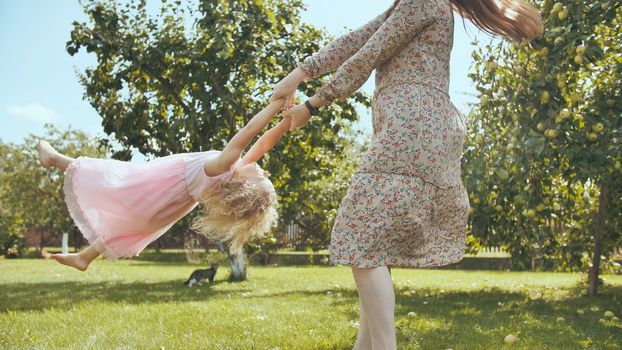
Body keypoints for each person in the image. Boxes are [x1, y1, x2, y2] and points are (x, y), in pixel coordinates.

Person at [270, 0, 543, 348]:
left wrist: (313, 104)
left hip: (412, 126)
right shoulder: (412, 5)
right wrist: (298, 74)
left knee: (360, 236)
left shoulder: (424, 1)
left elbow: (369, 55)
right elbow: (358, 39)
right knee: (372, 246)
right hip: (415, 127)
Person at [39, 99, 291, 271]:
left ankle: (55, 159)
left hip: (160, 186)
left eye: (262, 176)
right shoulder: (231, 174)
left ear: (244, 186)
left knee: (114, 179)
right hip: (169, 202)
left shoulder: (222, 166)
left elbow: (249, 132)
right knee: (126, 224)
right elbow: (264, 144)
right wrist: (286, 121)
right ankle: (84, 257)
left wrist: (275, 105)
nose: (263, 169)